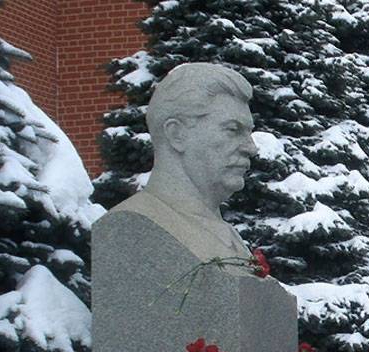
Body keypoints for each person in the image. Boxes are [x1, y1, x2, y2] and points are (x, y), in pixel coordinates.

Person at [109, 62, 259, 262]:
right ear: (176, 134)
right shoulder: (133, 226)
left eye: (249, 132)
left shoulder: (232, 239)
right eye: (233, 129)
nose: (251, 148)